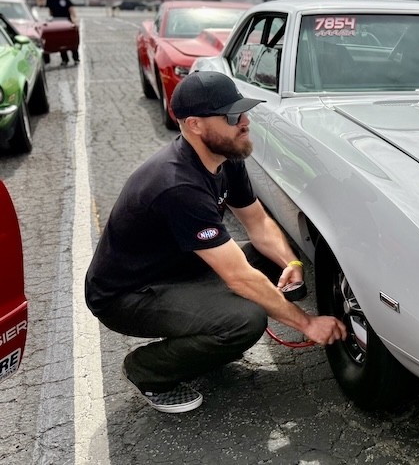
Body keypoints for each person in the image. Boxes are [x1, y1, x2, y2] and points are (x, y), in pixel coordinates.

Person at [84, 71, 347, 414]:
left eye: (244, 112)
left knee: (273, 261)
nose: (245, 122)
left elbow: (258, 222)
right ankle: (148, 371)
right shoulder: (178, 185)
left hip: (181, 267)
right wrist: (308, 323)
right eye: (234, 116)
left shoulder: (225, 157)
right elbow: (238, 278)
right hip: (128, 294)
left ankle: (208, 337)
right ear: (195, 125)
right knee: (245, 319)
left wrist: (292, 264)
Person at [46, 0, 79, 65]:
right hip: (57, 22)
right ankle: (64, 59)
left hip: (67, 22)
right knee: (60, 41)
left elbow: (72, 11)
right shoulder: (50, 0)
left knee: (71, 40)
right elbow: (50, 12)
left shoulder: (65, 0)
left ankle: (75, 58)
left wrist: (74, 20)